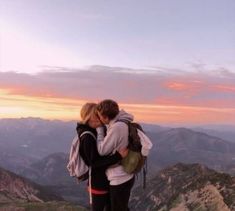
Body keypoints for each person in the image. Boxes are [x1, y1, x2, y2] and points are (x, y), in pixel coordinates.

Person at [77, 102, 126, 211]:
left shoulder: (95, 130)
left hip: (103, 180)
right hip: (98, 183)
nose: (100, 117)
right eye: (96, 115)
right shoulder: (87, 137)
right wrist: (117, 156)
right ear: (89, 116)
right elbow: (94, 163)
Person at [95, 99, 135, 211]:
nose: (99, 119)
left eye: (100, 116)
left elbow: (102, 150)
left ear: (106, 117)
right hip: (124, 175)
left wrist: (99, 131)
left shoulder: (117, 127)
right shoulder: (122, 123)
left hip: (119, 177)